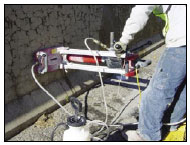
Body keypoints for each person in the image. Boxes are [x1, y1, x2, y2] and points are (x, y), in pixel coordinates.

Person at [114, 5, 186, 141]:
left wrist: (123, 41)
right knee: (183, 89)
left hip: (182, 42)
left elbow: (141, 9)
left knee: (156, 93)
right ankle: (172, 124)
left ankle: (146, 136)